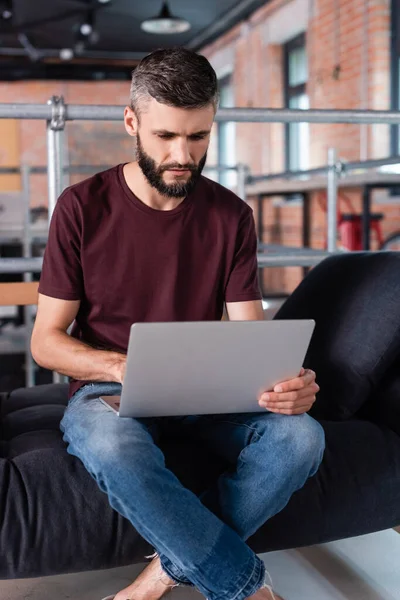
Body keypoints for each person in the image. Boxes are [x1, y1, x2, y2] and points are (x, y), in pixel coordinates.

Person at [31, 47, 325, 600]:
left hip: (205, 392)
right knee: (114, 447)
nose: (183, 155)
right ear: (131, 123)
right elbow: (46, 342)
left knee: (301, 438)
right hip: (108, 389)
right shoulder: (81, 207)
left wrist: (289, 381)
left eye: (198, 137)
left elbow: (250, 337)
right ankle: (246, 585)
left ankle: (157, 577)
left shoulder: (231, 215)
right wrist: (127, 368)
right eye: (166, 137)